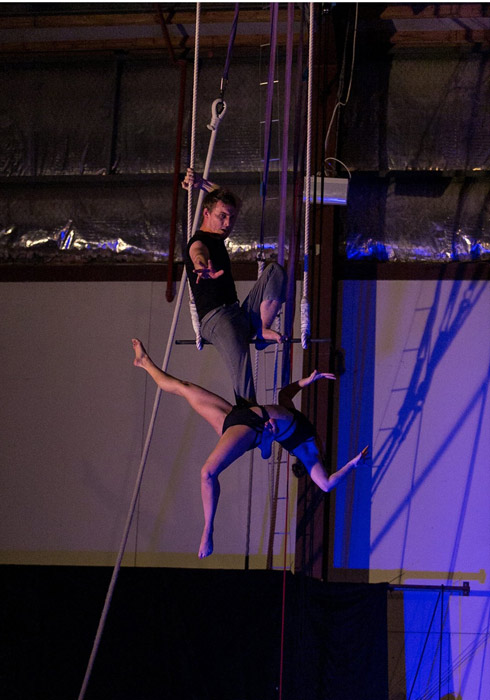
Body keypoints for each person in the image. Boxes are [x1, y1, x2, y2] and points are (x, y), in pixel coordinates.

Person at [132, 338, 369, 560]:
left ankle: (208, 529)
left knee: (207, 473)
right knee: (183, 387)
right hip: (240, 416)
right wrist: (308, 380)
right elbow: (285, 394)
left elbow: (324, 484)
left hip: (251, 428)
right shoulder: (304, 425)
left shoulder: (308, 453)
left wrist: (352, 464)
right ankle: (144, 363)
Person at [182, 168, 287, 403]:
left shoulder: (218, 235)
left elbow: (234, 199)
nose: (228, 223)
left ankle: (261, 328)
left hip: (237, 312)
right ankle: (248, 417)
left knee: (275, 272)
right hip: (217, 319)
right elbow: (197, 253)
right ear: (206, 213)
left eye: (232, 218)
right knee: (244, 376)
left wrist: (201, 183)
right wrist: (201, 266)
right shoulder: (200, 241)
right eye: (222, 217)